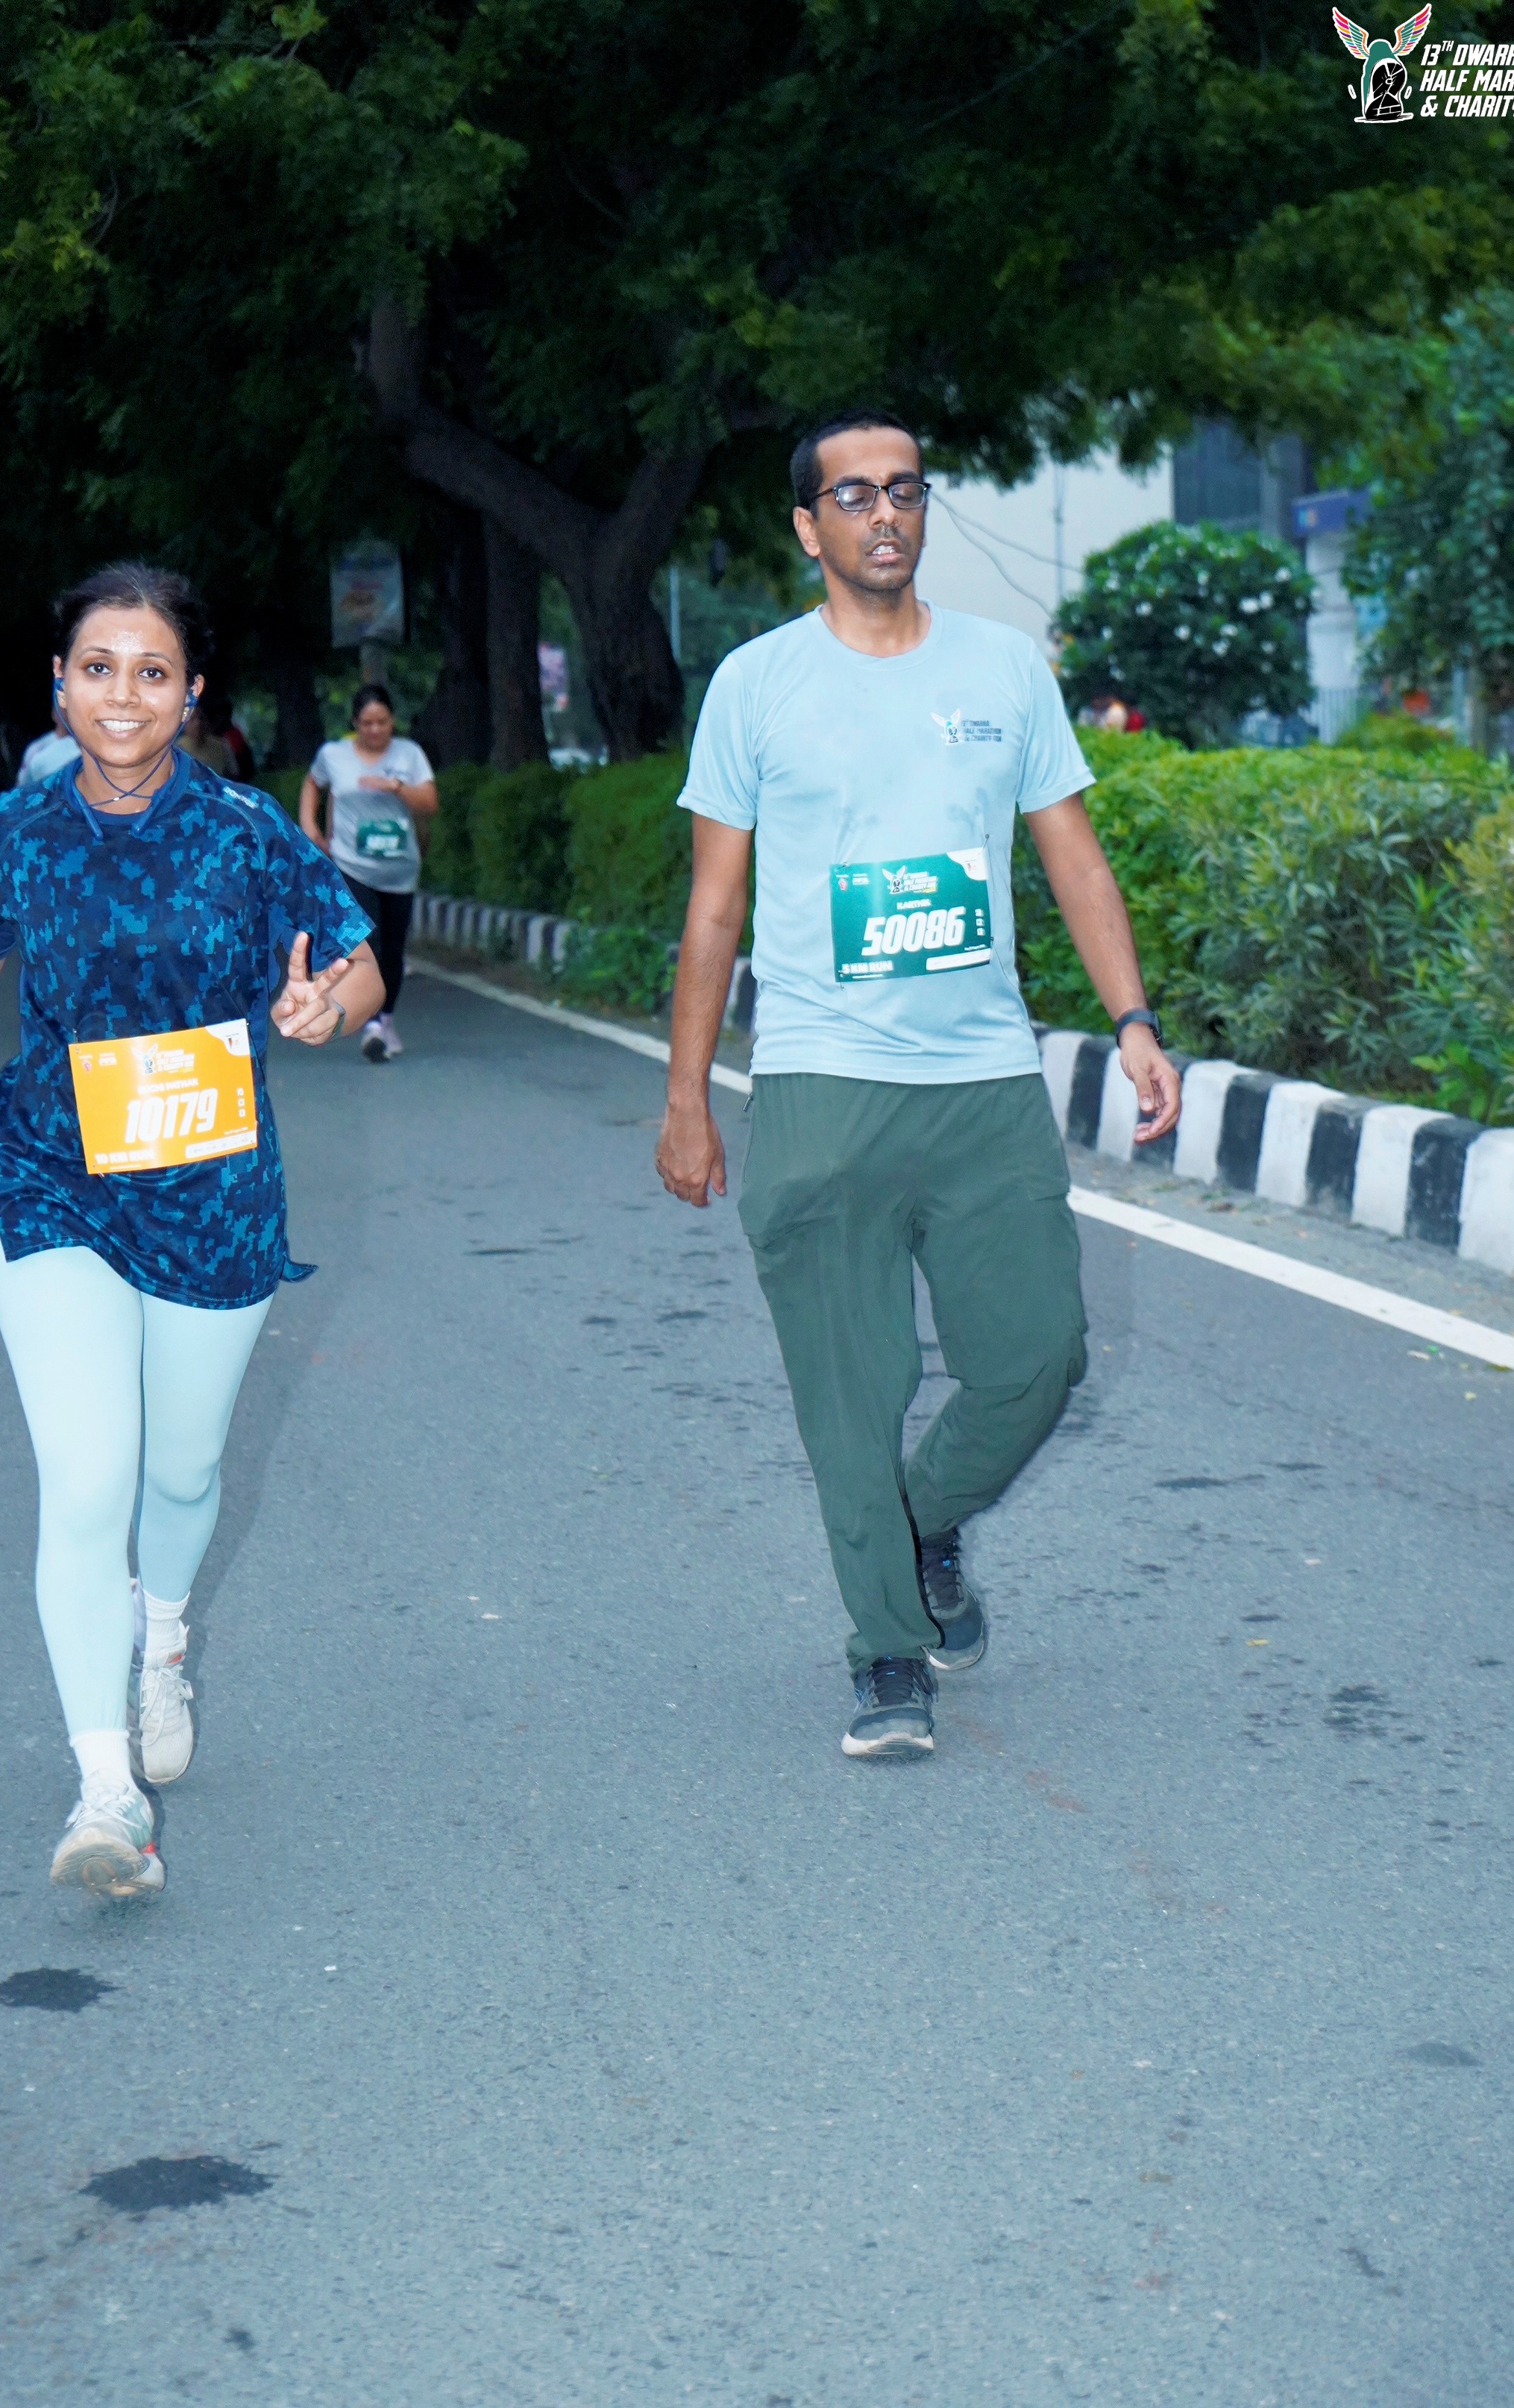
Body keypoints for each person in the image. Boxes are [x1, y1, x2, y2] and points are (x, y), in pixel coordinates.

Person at [655, 412, 1181, 1763]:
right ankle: (888, 1650)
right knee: (852, 1390)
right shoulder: (755, 685)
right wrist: (688, 1096)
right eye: (853, 495)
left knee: (1041, 1355)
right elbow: (713, 909)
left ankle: (922, 1519)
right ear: (807, 526)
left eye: (903, 490)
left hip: (983, 1080)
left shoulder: (1003, 668)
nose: (883, 513)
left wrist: (1131, 1021)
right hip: (822, 1080)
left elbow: (1072, 857)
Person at [0, 561, 383, 1895]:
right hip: (51, 1180)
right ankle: (106, 1791)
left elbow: (358, 961)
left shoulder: (246, 831)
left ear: (191, 692)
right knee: (88, 1478)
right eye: (97, 667)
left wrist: (327, 1003)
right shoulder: (16, 830)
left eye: (151, 671)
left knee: (183, 1476)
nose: (122, 695)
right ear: (59, 682)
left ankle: (161, 1644)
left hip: (212, 1199)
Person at [300, 685, 436, 1062]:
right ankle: (373, 1024)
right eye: (367, 723)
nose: (375, 730)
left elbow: (430, 803)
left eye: (382, 722)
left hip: (399, 868)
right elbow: (313, 783)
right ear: (355, 724)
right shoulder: (334, 755)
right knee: (369, 943)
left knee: (393, 951)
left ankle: (385, 1018)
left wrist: (396, 787)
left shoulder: (409, 755)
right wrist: (310, 826)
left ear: (393, 721)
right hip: (352, 865)